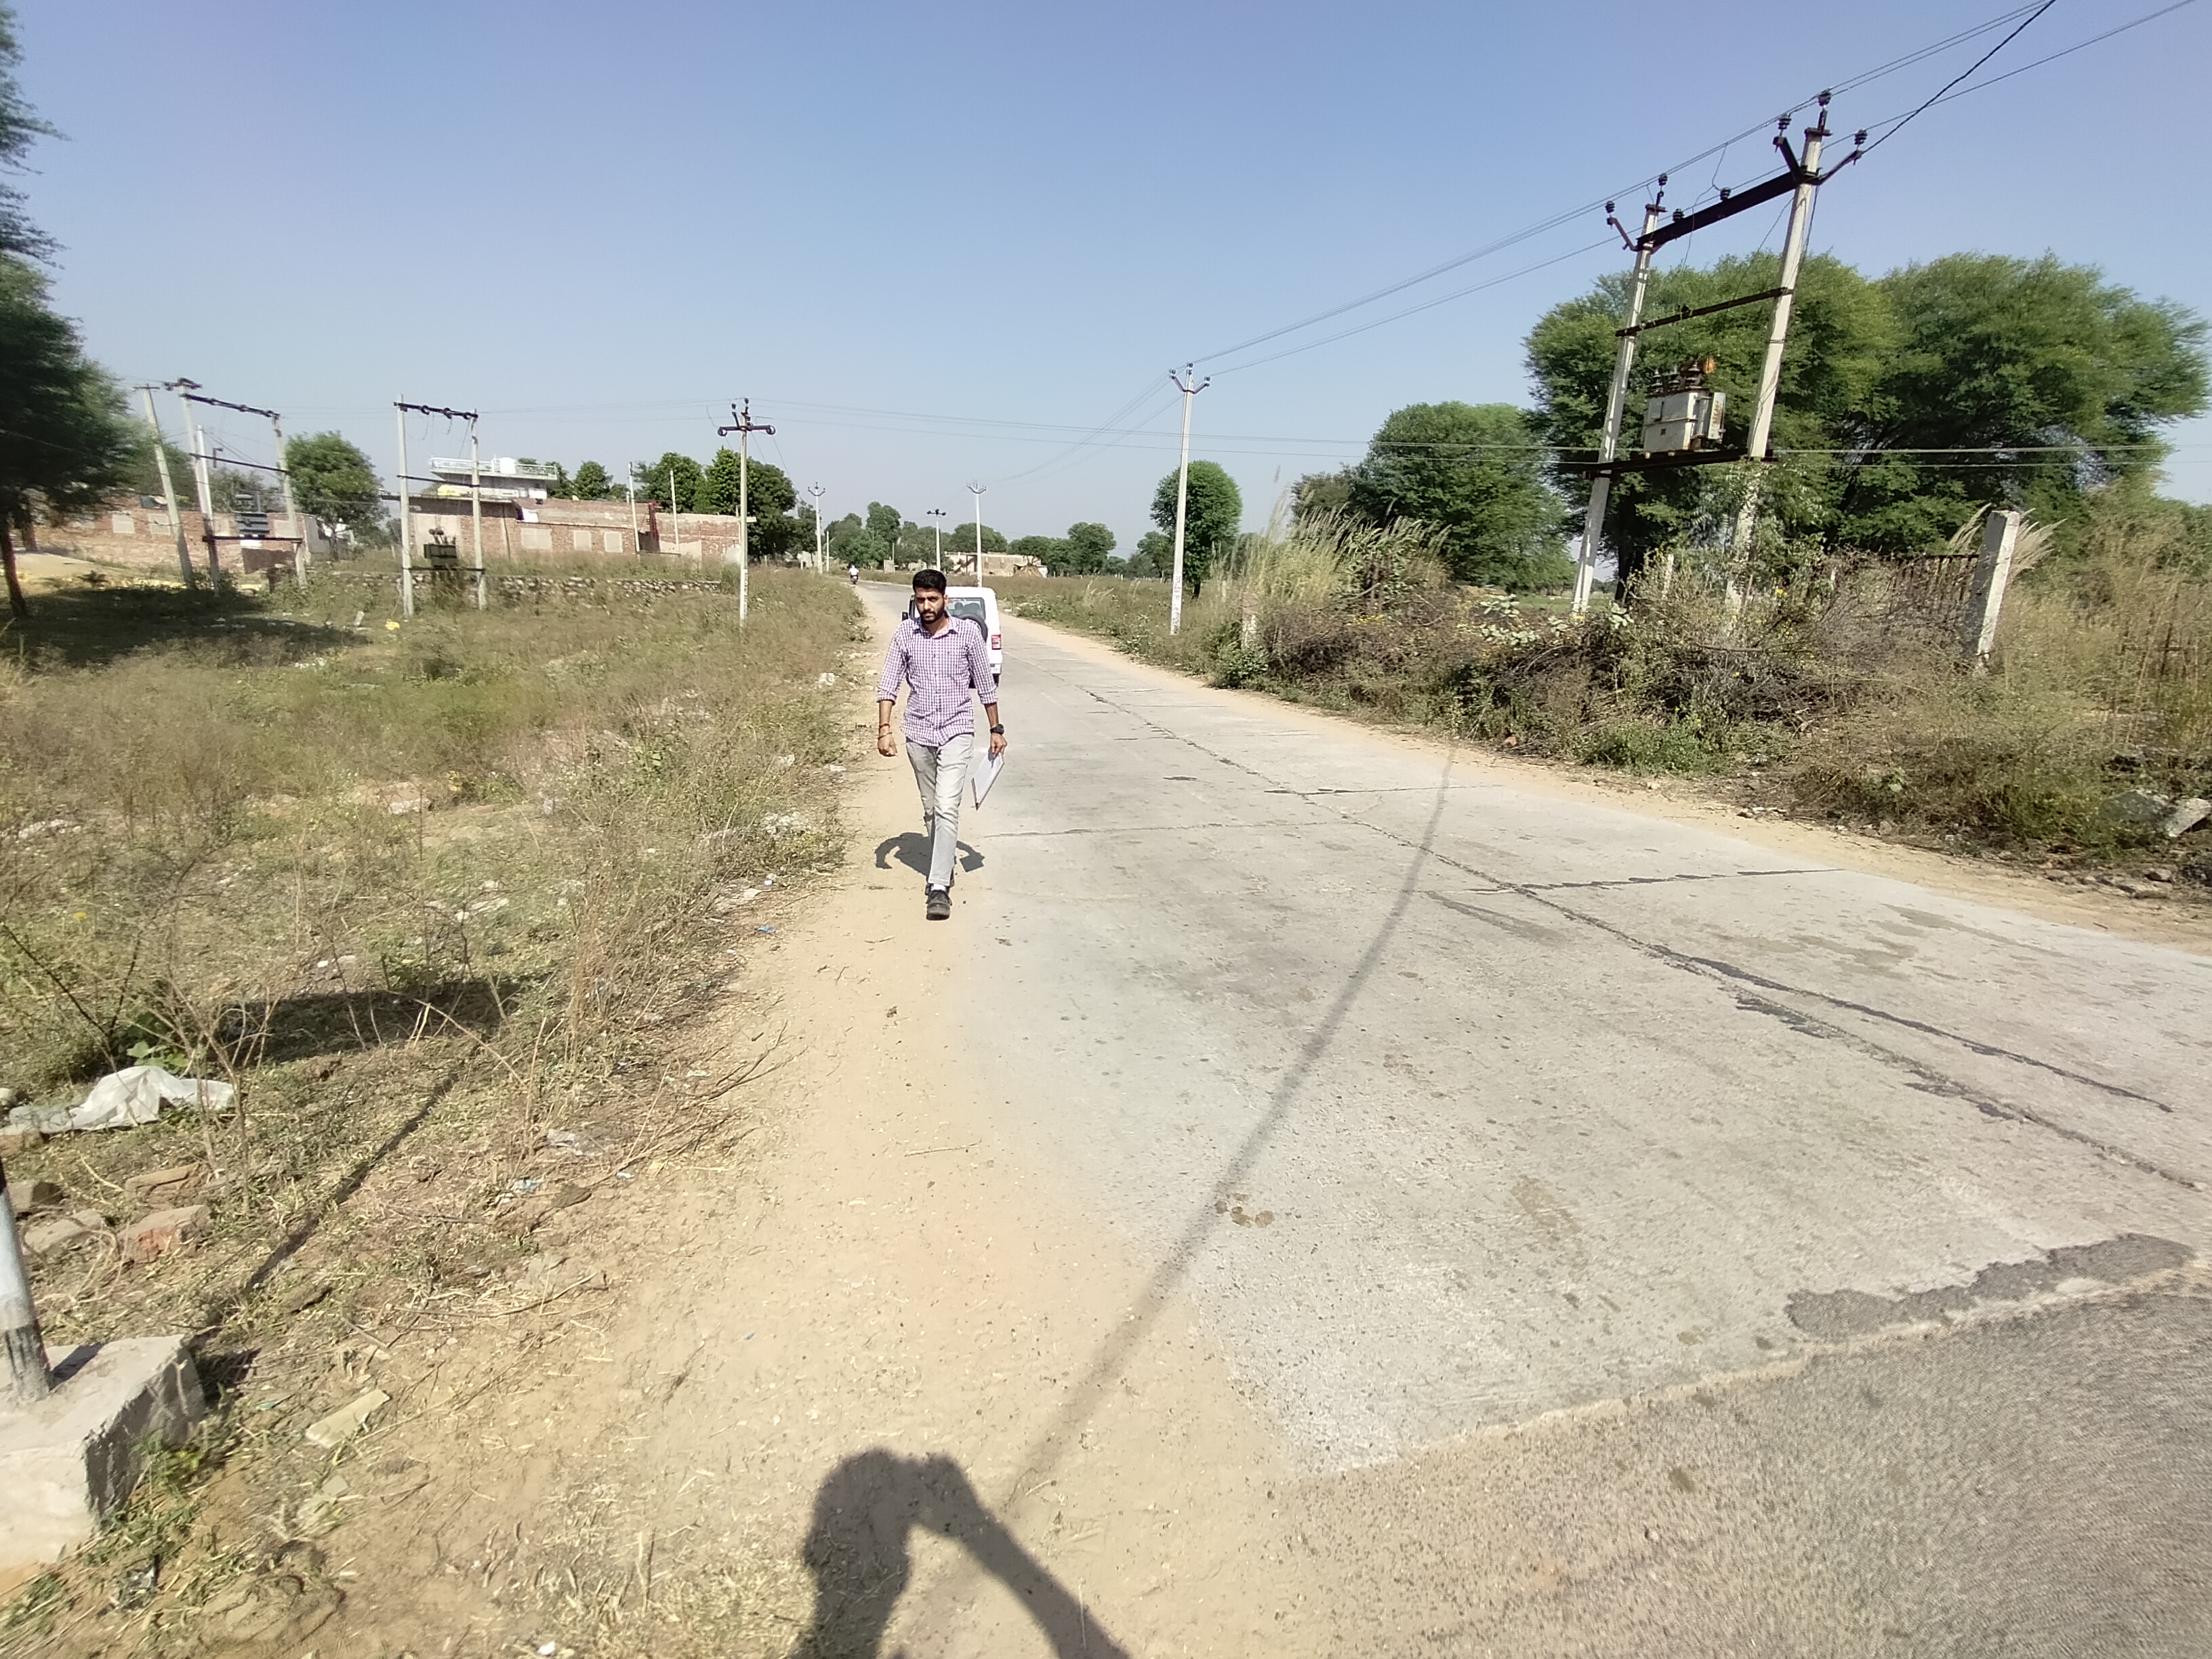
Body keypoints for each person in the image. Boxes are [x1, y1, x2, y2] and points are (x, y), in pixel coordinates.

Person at [877, 568, 1005, 920]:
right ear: (915, 600)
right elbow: (888, 683)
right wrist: (884, 729)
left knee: (948, 806)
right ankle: (943, 863)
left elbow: (985, 685)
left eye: (933, 599)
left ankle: (938, 886)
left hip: (957, 730)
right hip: (918, 733)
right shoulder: (906, 633)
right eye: (920, 600)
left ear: (946, 599)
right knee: (932, 808)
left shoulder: (967, 634)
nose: (927, 606)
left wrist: (996, 729)